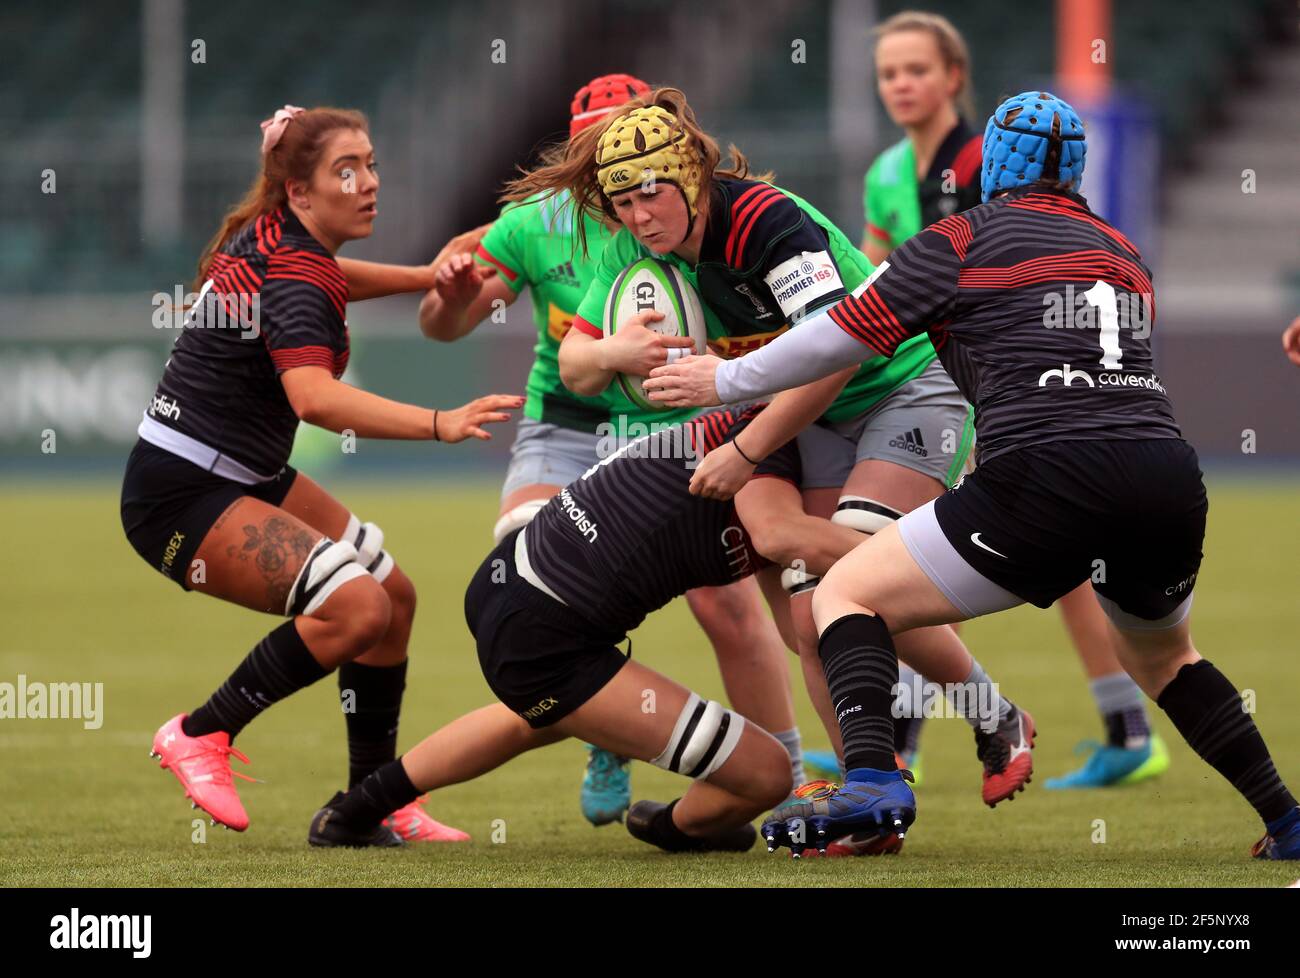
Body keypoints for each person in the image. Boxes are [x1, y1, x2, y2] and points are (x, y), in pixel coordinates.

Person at [645, 91, 1300, 861]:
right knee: (1167, 659)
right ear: (1078, 168)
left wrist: (723, 383)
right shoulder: (1125, 254)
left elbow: (840, 337)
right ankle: (1286, 817)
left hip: (1044, 470)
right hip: (1166, 476)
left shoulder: (959, 239)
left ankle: (874, 782)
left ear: (992, 160)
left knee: (845, 592)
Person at [505, 85, 1037, 820]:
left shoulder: (764, 221)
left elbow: (840, 354)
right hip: (794, 413)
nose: (637, 216)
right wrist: (616, 350)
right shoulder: (637, 241)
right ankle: (867, 789)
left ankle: (983, 667)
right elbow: (573, 366)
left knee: (857, 583)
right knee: (811, 611)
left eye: (651, 195)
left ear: (689, 177)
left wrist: (746, 449)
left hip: (901, 388)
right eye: (622, 203)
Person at [306, 403, 1025, 852]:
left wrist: (871, 776)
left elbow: (813, 630)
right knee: (765, 775)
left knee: (539, 714)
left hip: (511, 586)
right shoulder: (768, 442)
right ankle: (674, 828)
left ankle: (353, 812)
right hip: (546, 625)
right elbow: (784, 540)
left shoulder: (766, 434)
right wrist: (941, 558)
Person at [122, 104, 522, 839]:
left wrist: (423, 274)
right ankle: (201, 731)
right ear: (299, 191)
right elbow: (313, 399)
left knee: (393, 599)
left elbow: (330, 275)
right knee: (357, 608)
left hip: (238, 472)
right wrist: (440, 423)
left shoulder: (282, 238)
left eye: (371, 163)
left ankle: (365, 808)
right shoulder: (293, 269)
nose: (369, 182)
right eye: (348, 170)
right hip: (182, 493)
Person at [417, 74, 805, 827]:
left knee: (726, 602)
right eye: (595, 145)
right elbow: (446, 327)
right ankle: (606, 723)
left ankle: (778, 769)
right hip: (566, 419)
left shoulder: (679, 211)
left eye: (625, 138)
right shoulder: (531, 223)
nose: (613, 162)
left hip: (664, 414)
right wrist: (449, 293)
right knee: (528, 565)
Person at [804, 10, 1169, 792]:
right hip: (928, 381)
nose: (900, 84)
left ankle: (1084, 725)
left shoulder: (987, 165)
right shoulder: (885, 174)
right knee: (992, 555)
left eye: (916, 70)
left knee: (922, 556)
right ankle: (1100, 724)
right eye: (888, 73)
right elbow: (873, 290)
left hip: (994, 386)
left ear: (954, 79)